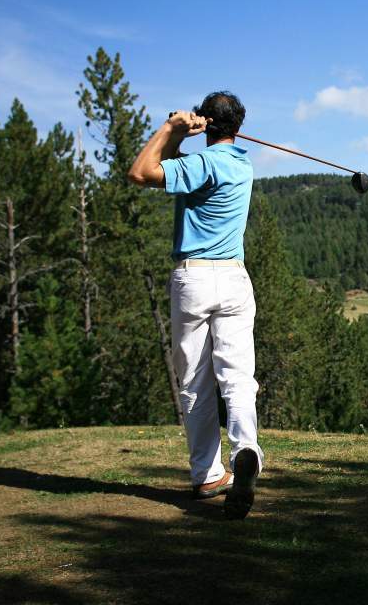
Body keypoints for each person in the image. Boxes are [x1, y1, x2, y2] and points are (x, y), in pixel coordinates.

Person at [128, 91, 263, 520]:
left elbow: (140, 172)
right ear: (238, 127)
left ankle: (207, 474)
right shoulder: (242, 163)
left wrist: (171, 129)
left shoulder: (200, 164)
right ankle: (246, 450)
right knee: (238, 376)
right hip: (234, 277)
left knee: (194, 380)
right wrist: (191, 134)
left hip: (194, 278)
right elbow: (176, 168)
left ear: (205, 121)